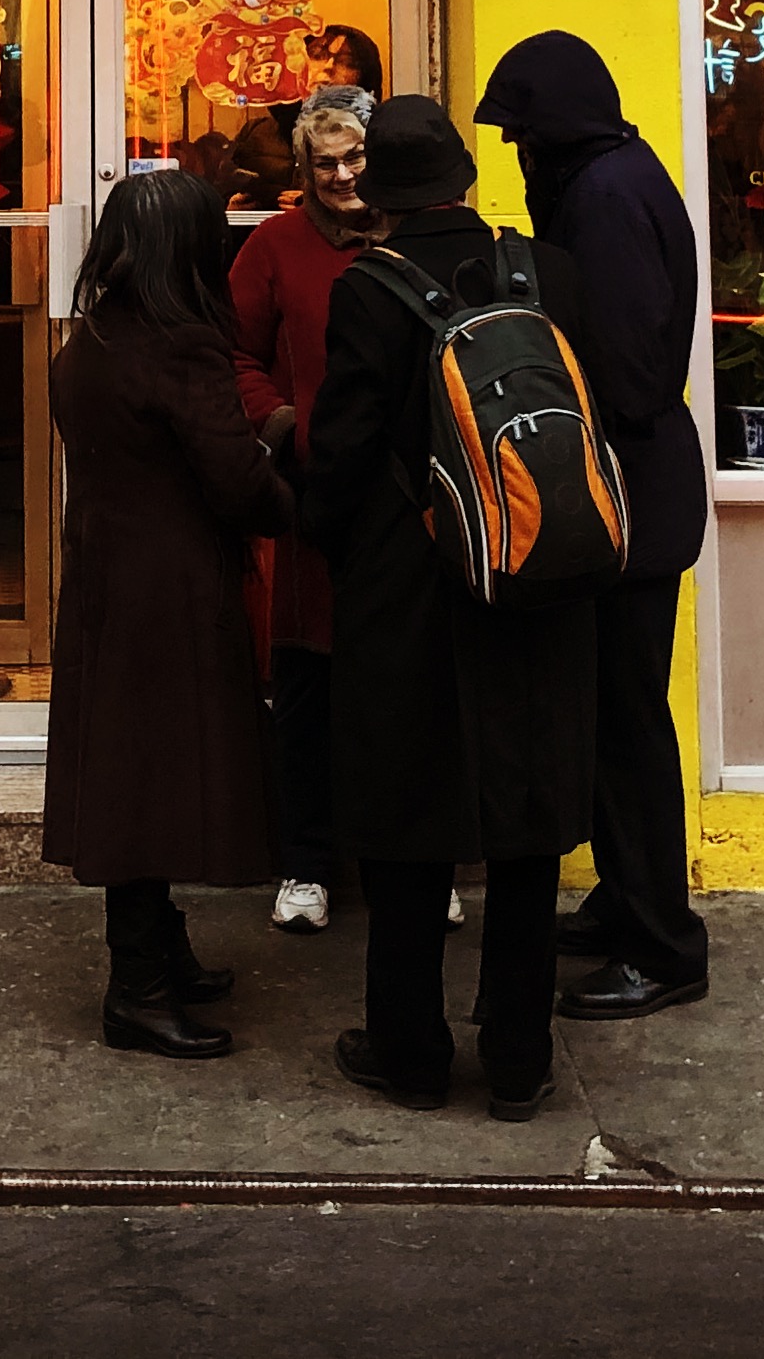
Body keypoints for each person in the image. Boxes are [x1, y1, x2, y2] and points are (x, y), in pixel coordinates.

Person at [303, 94, 599, 1121]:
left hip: (412, 589)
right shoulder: (544, 273)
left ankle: (410, 1052)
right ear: (464, 178)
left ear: (375, 192)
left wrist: (327, 544)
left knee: (405, 827)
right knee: (525, 825)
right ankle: (518, 1059)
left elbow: (339, 456)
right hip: (535, 582)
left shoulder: (369, 293)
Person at [478, 32, 710, 1026]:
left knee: (623, 728)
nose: (517, 150)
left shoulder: (604, 199)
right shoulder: (616, 174)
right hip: (639, 491)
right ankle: (627, 903)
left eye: (522, 131)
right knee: (620, 720)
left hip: (628, 495)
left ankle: (660, 945)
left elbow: (623, 369)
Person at [43, 170, 295, 1060]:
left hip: (108, 583)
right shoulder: (183, 345)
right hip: (174, 592)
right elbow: (234, 479)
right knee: (153, 780)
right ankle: (137, 989)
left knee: (124, 768)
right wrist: (295, 488)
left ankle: (159, 949)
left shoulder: (92, 340)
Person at [227, 81, 376, 933]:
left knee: (395, 684)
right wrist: (279, 424)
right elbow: (235, 351)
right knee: (309, 683)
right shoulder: (276, 247)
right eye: (324, 162)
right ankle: (307, 863)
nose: (342, 174)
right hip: (314, 491)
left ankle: (408, 862)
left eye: (353, 157)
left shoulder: (401, 237)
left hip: (399, 494)